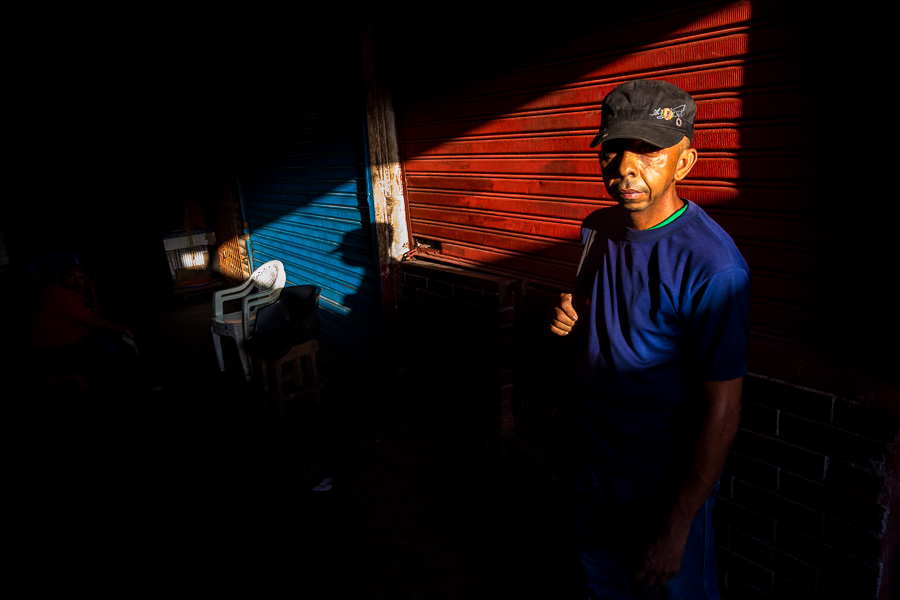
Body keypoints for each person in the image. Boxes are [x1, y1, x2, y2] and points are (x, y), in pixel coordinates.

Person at [550, 79, 749, 599]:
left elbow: (724, 413)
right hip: (591, 460)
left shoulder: (713, 265)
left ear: (685, 162)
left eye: (648, 150)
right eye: (613, 149)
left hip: (660, 480)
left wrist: (679, 522)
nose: (624, 167)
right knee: (603, 586)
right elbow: (600, 314)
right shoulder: (597, 228)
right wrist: (572, 317)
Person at [27, 263, 135, 387]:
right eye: (72, 277)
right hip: (49, 354)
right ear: (60, 278)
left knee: (114, 339)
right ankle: (116, 385)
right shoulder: (58, 295)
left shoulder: (72, 296)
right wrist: (124, 331)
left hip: (67, 344)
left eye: (81, 278)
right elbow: (91, 320)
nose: (77, 282)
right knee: (105, 346)